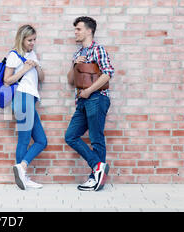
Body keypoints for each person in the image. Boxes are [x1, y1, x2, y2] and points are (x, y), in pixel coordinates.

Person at [65, 16, 115, 191]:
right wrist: (74, 65)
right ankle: (98, 166)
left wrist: (89, 90)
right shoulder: (77, 54)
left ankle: (96, 178)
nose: (76, 32)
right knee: (70, 136)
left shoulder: (98, 49)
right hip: (82, 101)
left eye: (78, 29)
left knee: (96, 138)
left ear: (89, 30)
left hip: (97, 97)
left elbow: (107, 73)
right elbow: (71, 80)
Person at [3, 24, 47, 190]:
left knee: (42, 141)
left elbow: (41, 78)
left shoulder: (33, 54)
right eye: (30, 40)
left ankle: (21, 168)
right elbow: (7, 80)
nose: (32, 43)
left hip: (31, 100)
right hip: (22, 98)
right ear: (22, 39)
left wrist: (35, 65)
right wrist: (25, 68)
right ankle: (22, 173)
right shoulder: (14, 55)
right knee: (24, 139)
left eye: (34, 40)